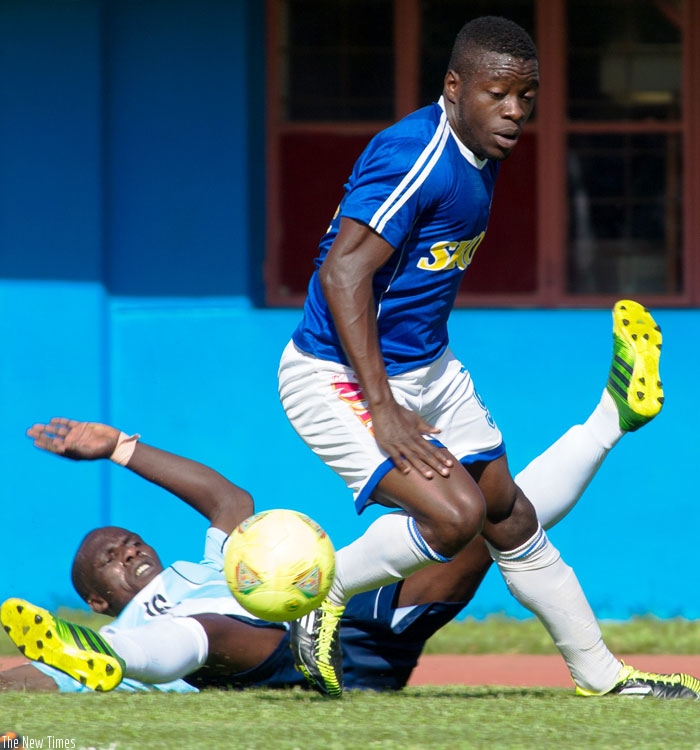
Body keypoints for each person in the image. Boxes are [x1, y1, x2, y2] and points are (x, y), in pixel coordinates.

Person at [2, 303, 698, 699]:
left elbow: (229, 498)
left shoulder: (202, 570)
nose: (126, 549)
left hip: (335, 623)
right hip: (268, 668)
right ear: (97, 600)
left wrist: (120, 447)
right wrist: (36, 673)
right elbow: (20, 679)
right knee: (209, 636)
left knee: (485, 520)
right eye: (110, 560)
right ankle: (114, 660)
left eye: (127, 541)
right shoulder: (123, 621)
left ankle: (612, 415)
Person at [276, 15, 670, 698]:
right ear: (454, 87)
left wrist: (417, 384)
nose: (516, 111)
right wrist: (385, 409)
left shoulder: (478, 156)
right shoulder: (417, 154)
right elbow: (342, 275)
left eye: (527, 95)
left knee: (508, 515)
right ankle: (323, 590)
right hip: (337, 373)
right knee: (454, 519)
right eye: (499, 94)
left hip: (427, 368)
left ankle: (603, 679)